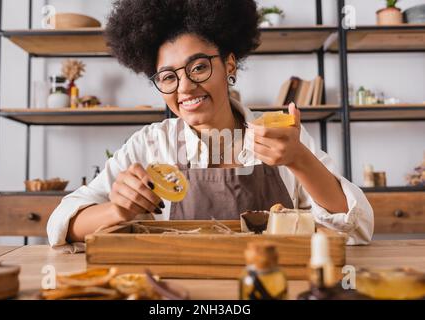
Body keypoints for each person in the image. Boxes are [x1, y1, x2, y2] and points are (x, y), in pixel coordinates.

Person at [47, 0, 373, 247]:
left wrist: (300, 159)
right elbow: (61, 226)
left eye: (199, 67)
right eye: (168, 77)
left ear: (229, 64)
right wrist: (117, 211)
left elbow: (357, 230)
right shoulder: (149, 145)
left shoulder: (281, 136)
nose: (185, 87)